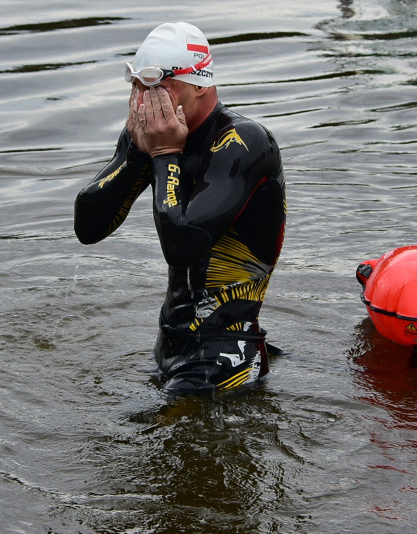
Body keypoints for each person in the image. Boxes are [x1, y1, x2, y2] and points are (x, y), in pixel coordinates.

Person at [74, 22, 286, 395]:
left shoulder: (244, 142)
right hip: (170, 342)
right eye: (136, 85)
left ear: (200, 83)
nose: (145, 99)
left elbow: (182, 244)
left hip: (224, 352)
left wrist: (164, 154)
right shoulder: (155, 135)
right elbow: (88, 227)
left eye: (157, 84)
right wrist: (140, 155)